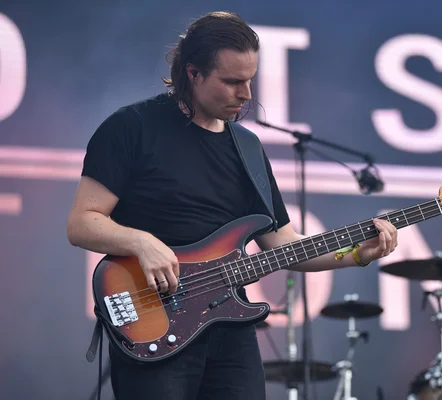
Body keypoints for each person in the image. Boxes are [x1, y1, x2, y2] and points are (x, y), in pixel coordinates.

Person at [66, 10, 398, 400]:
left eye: (250, 80)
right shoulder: (132, 127)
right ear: (193, 73)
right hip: (153, 319)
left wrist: (358, 254)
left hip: (229, 329)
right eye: (232, 82)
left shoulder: (248, 149)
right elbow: (82, 223)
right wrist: (142, 243)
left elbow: (285, 246)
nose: (247, 95)